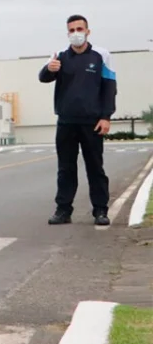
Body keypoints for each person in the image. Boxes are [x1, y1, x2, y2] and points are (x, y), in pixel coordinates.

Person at [38, 14, 116, 226]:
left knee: (95, 167)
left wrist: (106, 116)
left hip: (92, 122)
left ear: (87, 31)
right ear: (67, 33)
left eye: (79, 29)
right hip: (66, 122)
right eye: (71, 30)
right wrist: (49, 68)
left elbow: (109, 88)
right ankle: (63, 210)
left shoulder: (101, 55)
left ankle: (100, 210)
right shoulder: (60, 57)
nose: (76, 34)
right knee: (65, 168)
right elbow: (43, 77)